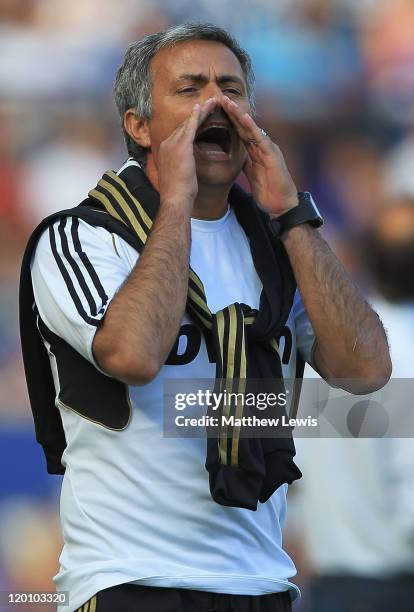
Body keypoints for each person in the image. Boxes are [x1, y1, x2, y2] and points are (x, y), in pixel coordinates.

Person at [19, 23, 391, 612]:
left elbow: (367, 372)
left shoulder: (278, 244)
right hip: (131, 581)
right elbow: (135, 356)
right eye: (190, 89)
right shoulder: (83, 237)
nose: (216, 103)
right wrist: (176, 203)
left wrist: (293, 214)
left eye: (232, 89)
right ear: (139, 126)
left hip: (262, 583)